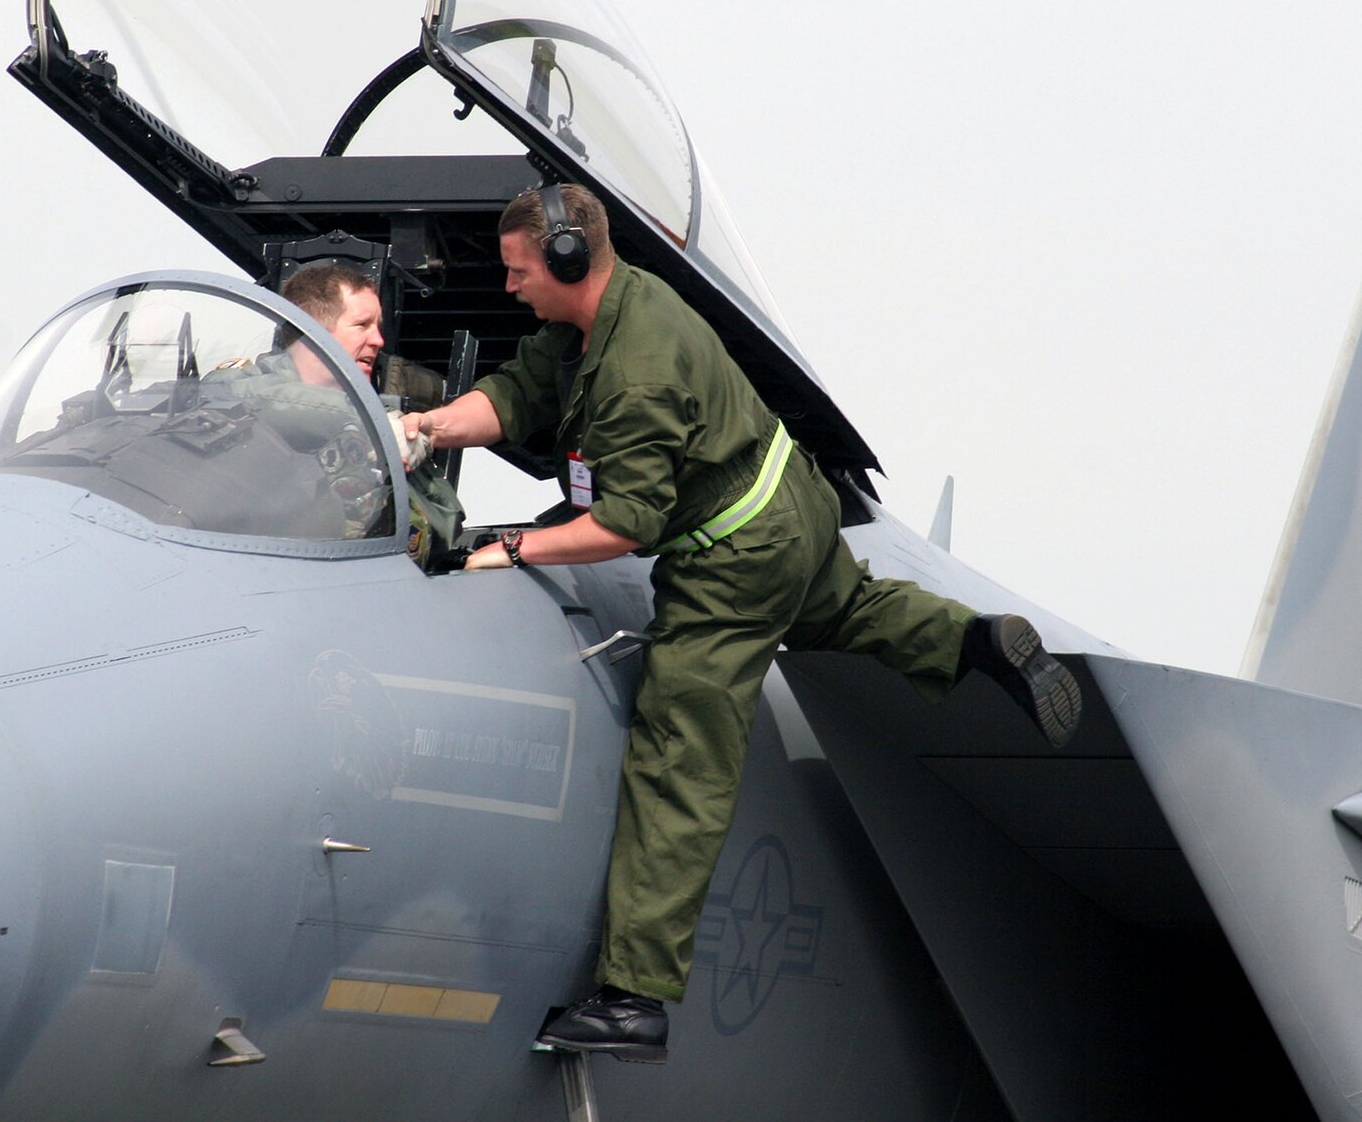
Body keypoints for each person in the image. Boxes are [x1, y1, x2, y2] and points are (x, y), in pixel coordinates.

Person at [406, 184, 1082, 1064]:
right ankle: (978, 641)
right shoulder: (610, 314)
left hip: (733, 555)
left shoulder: (637, 367)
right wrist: (425, 426)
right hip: (789, 504)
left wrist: (516, 548)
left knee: (681, 743)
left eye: (518, 270)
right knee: (852, 607)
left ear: (568, 261)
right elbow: (521, 391)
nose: (507, 287)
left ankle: (633, 996)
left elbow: (625, 525)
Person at [276, 261, 462, 565]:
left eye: (377, 326)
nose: (378, 340)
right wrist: (369, 430)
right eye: (362, 325)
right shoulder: (244, 393)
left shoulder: (389, 423)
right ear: (312, 333)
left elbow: (445, 522)